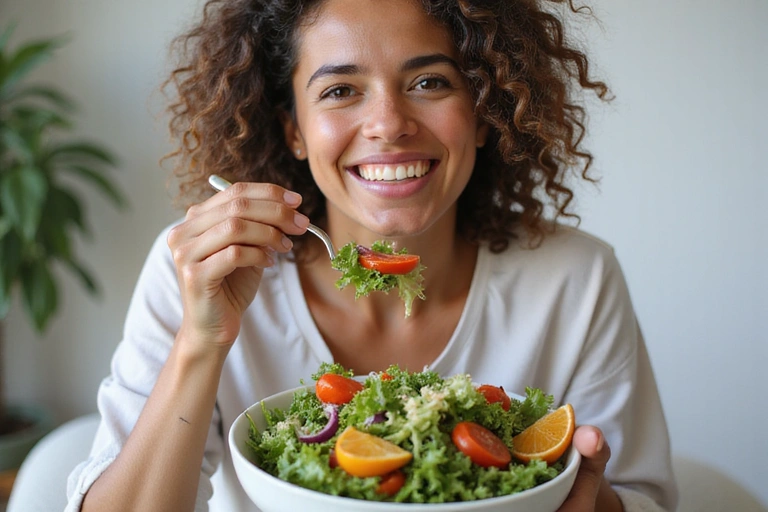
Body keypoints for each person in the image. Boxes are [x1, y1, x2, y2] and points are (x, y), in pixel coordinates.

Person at [66, 0, 678, 510]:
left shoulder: (576, 277)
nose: (388, 123)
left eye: (429, 82)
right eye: (340, 89)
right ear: (294, 131)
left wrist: (587, 496)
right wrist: (202, 343)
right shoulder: (205, 267)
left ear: (484, 112)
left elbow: (639, 496)